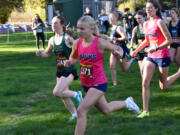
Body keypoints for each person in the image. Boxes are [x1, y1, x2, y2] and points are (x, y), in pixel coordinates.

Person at [64, 16, 140, 135]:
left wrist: (120, 54)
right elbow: (73, 58)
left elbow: (118, 48)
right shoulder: (77, 43)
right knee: (106, 110)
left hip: (99, 83)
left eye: (82, 28)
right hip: (86, 83)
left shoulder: (100, 42)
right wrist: (69, 62)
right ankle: (127, 103)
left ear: (92, 29)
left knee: (81, 111)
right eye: (78, 28)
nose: (79, 31)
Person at [131, 0, 180, 118]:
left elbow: (169, 40)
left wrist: (156, 47)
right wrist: (136, 50)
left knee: (164, 86)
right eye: (147, 8)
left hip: (162, 56)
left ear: (156, 9)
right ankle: (145, 111)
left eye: (150, 8)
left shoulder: (160, 22)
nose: (148, 10)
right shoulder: (146, 23)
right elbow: (147, 41)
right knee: (145, 82)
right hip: (151, 57)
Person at [36, 16, 83, 121]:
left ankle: (76, 94)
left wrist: (71, 60)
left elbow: (79, 49)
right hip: (60, 71)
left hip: (69, 70)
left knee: (57, 92)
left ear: (62, 24)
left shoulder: (67, 38)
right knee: (63, 94)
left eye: (56, 23)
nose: (53, 25)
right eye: (52, 23)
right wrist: (40, 53)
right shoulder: (52, 40)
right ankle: (75, 114)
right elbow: (47, 54)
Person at [109, 11, 137, 86]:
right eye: (109, 18)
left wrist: (116, 39)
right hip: (114, 49)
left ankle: (133, 59)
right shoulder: (112, 28)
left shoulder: (119, 28)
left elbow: (125, 38)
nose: (110, 19)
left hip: (121, 49)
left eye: (112, 18)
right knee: (112, 66)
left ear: (116, 18)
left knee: (124, 68)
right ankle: (115, 84)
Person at [130, 10, 147, 76]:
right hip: (139, 51)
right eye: (136, 18)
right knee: (142, 70)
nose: (138, 20)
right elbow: (132, 39)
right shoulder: (136, 28)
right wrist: (131, 48)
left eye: (139, 18)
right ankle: (144, 84)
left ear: (144, 18)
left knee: (144, 68)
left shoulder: (148, 27)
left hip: (147, 50)